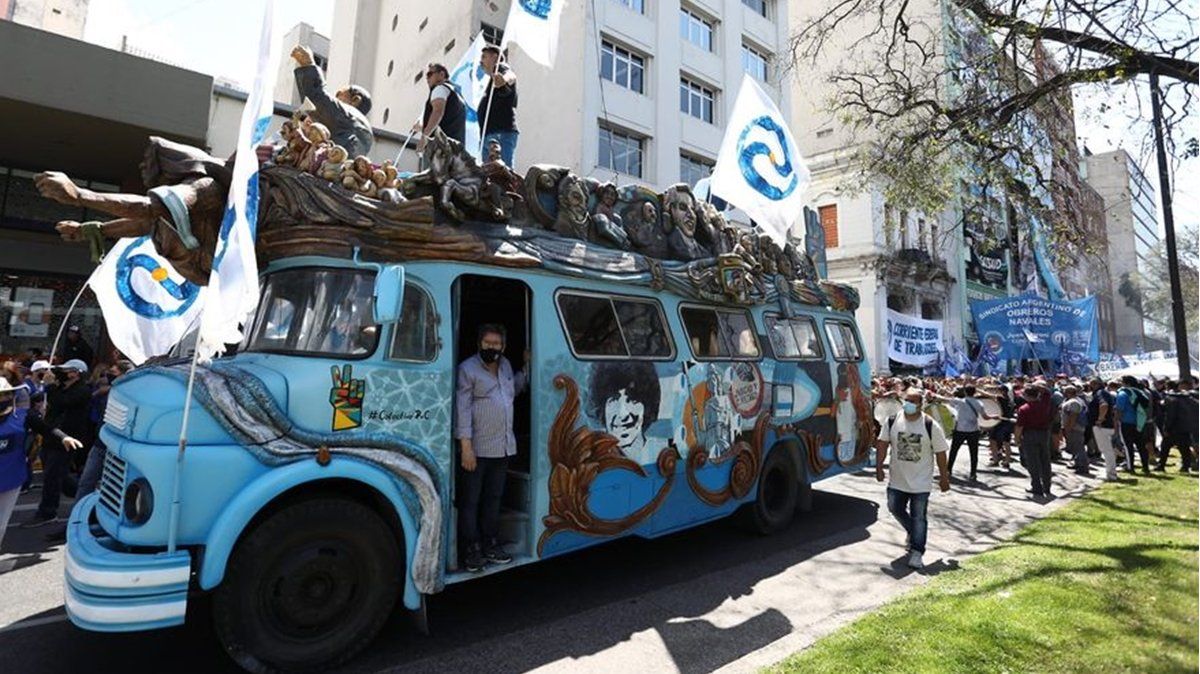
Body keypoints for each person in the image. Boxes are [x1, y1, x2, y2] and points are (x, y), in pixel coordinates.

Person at [454, 324, 528, 572]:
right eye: (487, 343)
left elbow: (513, 391)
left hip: (502, 446)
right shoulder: (467, 369)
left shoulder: (505, 365)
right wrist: (466, 447)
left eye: (496, 344)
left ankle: (490, 543)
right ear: (479, 344)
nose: (492, 348)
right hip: (476, 449)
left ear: (503, 346)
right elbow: (462, 408)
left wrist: (526, 369)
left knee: (494, 499)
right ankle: (471, 548)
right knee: (470, 501)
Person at [1, 378, 84, 558]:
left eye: (5, 394)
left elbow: (46, 428)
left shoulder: (24, 416)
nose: (3, 398)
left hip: (11, 478)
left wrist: (64, 438)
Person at [874, 388, 950, 570]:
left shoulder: (930, 425)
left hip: (921, 483)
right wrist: (879, 467)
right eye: (907, 400)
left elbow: (941, 453)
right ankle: (913, 532)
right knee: (894, 508)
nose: (909, 404)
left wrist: (944, 477)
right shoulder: (892, 421)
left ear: (920, 404)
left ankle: (917, 551)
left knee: (919, 518)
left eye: (913, 401)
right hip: (897, 480)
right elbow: (882, 444)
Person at [22, 359, 91, 527]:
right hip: (51, 435)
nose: (61, 373)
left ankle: (47, 512)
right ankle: (84, 497)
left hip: (66, 439)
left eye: (66, 370)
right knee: (57, 473)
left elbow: (63, 402)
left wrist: (51, 386)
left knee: (52, 476)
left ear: (76, 373)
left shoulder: (82, 390)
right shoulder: (62, 388)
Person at [291, 45, 374, 157]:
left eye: (338, 95)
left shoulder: (350, 115)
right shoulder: (363, 131)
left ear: (355, 100)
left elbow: (316, 97)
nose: (335, 100)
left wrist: (308, 64)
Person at [77, 360, 135, 499]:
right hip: (100, 443)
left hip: (116, 447)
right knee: (86, 481)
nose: (109, 376)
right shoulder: (106, 392)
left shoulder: (130, 395)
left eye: (113, 372)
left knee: (112, 486)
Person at [936, 385, 995, 483]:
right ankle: (973, 473)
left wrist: (933, 395)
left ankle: (948, 470)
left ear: (965, 392)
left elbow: (944, 399)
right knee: (974, 453)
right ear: (974, 392)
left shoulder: (960, 401)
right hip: (973, 431)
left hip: (960, 430)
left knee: (954, 451)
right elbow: (985, 417)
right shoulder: (979, 403)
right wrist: (994, 416)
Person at [478, 45, 519, 167]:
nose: (481, 61)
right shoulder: (491, 80)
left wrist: (504, 80)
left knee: (502, 172)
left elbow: (511, 76)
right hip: (491, 134)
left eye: (484, 57)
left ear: (495, 57)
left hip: (500, 133)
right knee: (492, 174)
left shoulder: (500, 68)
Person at [1014, 382, 1054, 499]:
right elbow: (1047, 391)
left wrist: (1017, 439)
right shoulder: (1044, 404)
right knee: (1045, 460)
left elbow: (1019, 426)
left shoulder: (1024, 409)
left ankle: (1036, 487)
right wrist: (1036, 386)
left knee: (1033, 462)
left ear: (1027, 396)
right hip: (1044, 434)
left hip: (1030, 434)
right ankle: (1047, 486)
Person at [415, 63, 466, 149]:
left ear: (442, 74)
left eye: (430, 74)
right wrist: (422, 126)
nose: (427, 78)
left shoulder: (440, 88)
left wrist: (424, 137)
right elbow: (448, 119)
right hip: (456, 147)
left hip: (442, 147)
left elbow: (438, 112)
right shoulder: (455, 93)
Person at [1155, 380, 1196, 473]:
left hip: (1174, 428)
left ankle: (1161, 465)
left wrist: (1166, 427)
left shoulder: (1171, 398)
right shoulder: (1188, 398)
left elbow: (1170, 415)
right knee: (1184, 449)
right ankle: (1186, 466)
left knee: (1165, 447)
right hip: (1185, 426)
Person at [1114, 375, 1152, 475]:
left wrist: (1116, 421)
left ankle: (1130, 466)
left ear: (1126, 383)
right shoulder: (1140, 393)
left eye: (1121, 382)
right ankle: (1145, 467)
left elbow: (1119, 409)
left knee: (1128, 446)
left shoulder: (1123, 393)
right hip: (1140, 422)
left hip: (1126, 422)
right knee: (1141, 445)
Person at [1087, 378, 1120, 481]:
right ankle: (1111, 472)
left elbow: (1104, 405)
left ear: (1095, 384)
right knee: (1108, 450)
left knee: (1107, 451)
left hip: (1102, 426)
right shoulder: (1104, 392)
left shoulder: (1100, 393)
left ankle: (1111, 475)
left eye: (1091, 384)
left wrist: (1100, 419)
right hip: (1106, 425)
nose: (1090, 386)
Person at [1060, 385, 1090, 476]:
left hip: (1075, 428)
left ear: (1069, 392)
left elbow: (1073, 416)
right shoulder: (1075, 400)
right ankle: (1077, 463)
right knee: (1075, 447)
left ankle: (1083, 466)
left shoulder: (1074, 402)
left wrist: (1069, 428)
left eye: (1065, 391)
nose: (1063, 393)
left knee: (1079, 447)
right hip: (1074, 428)